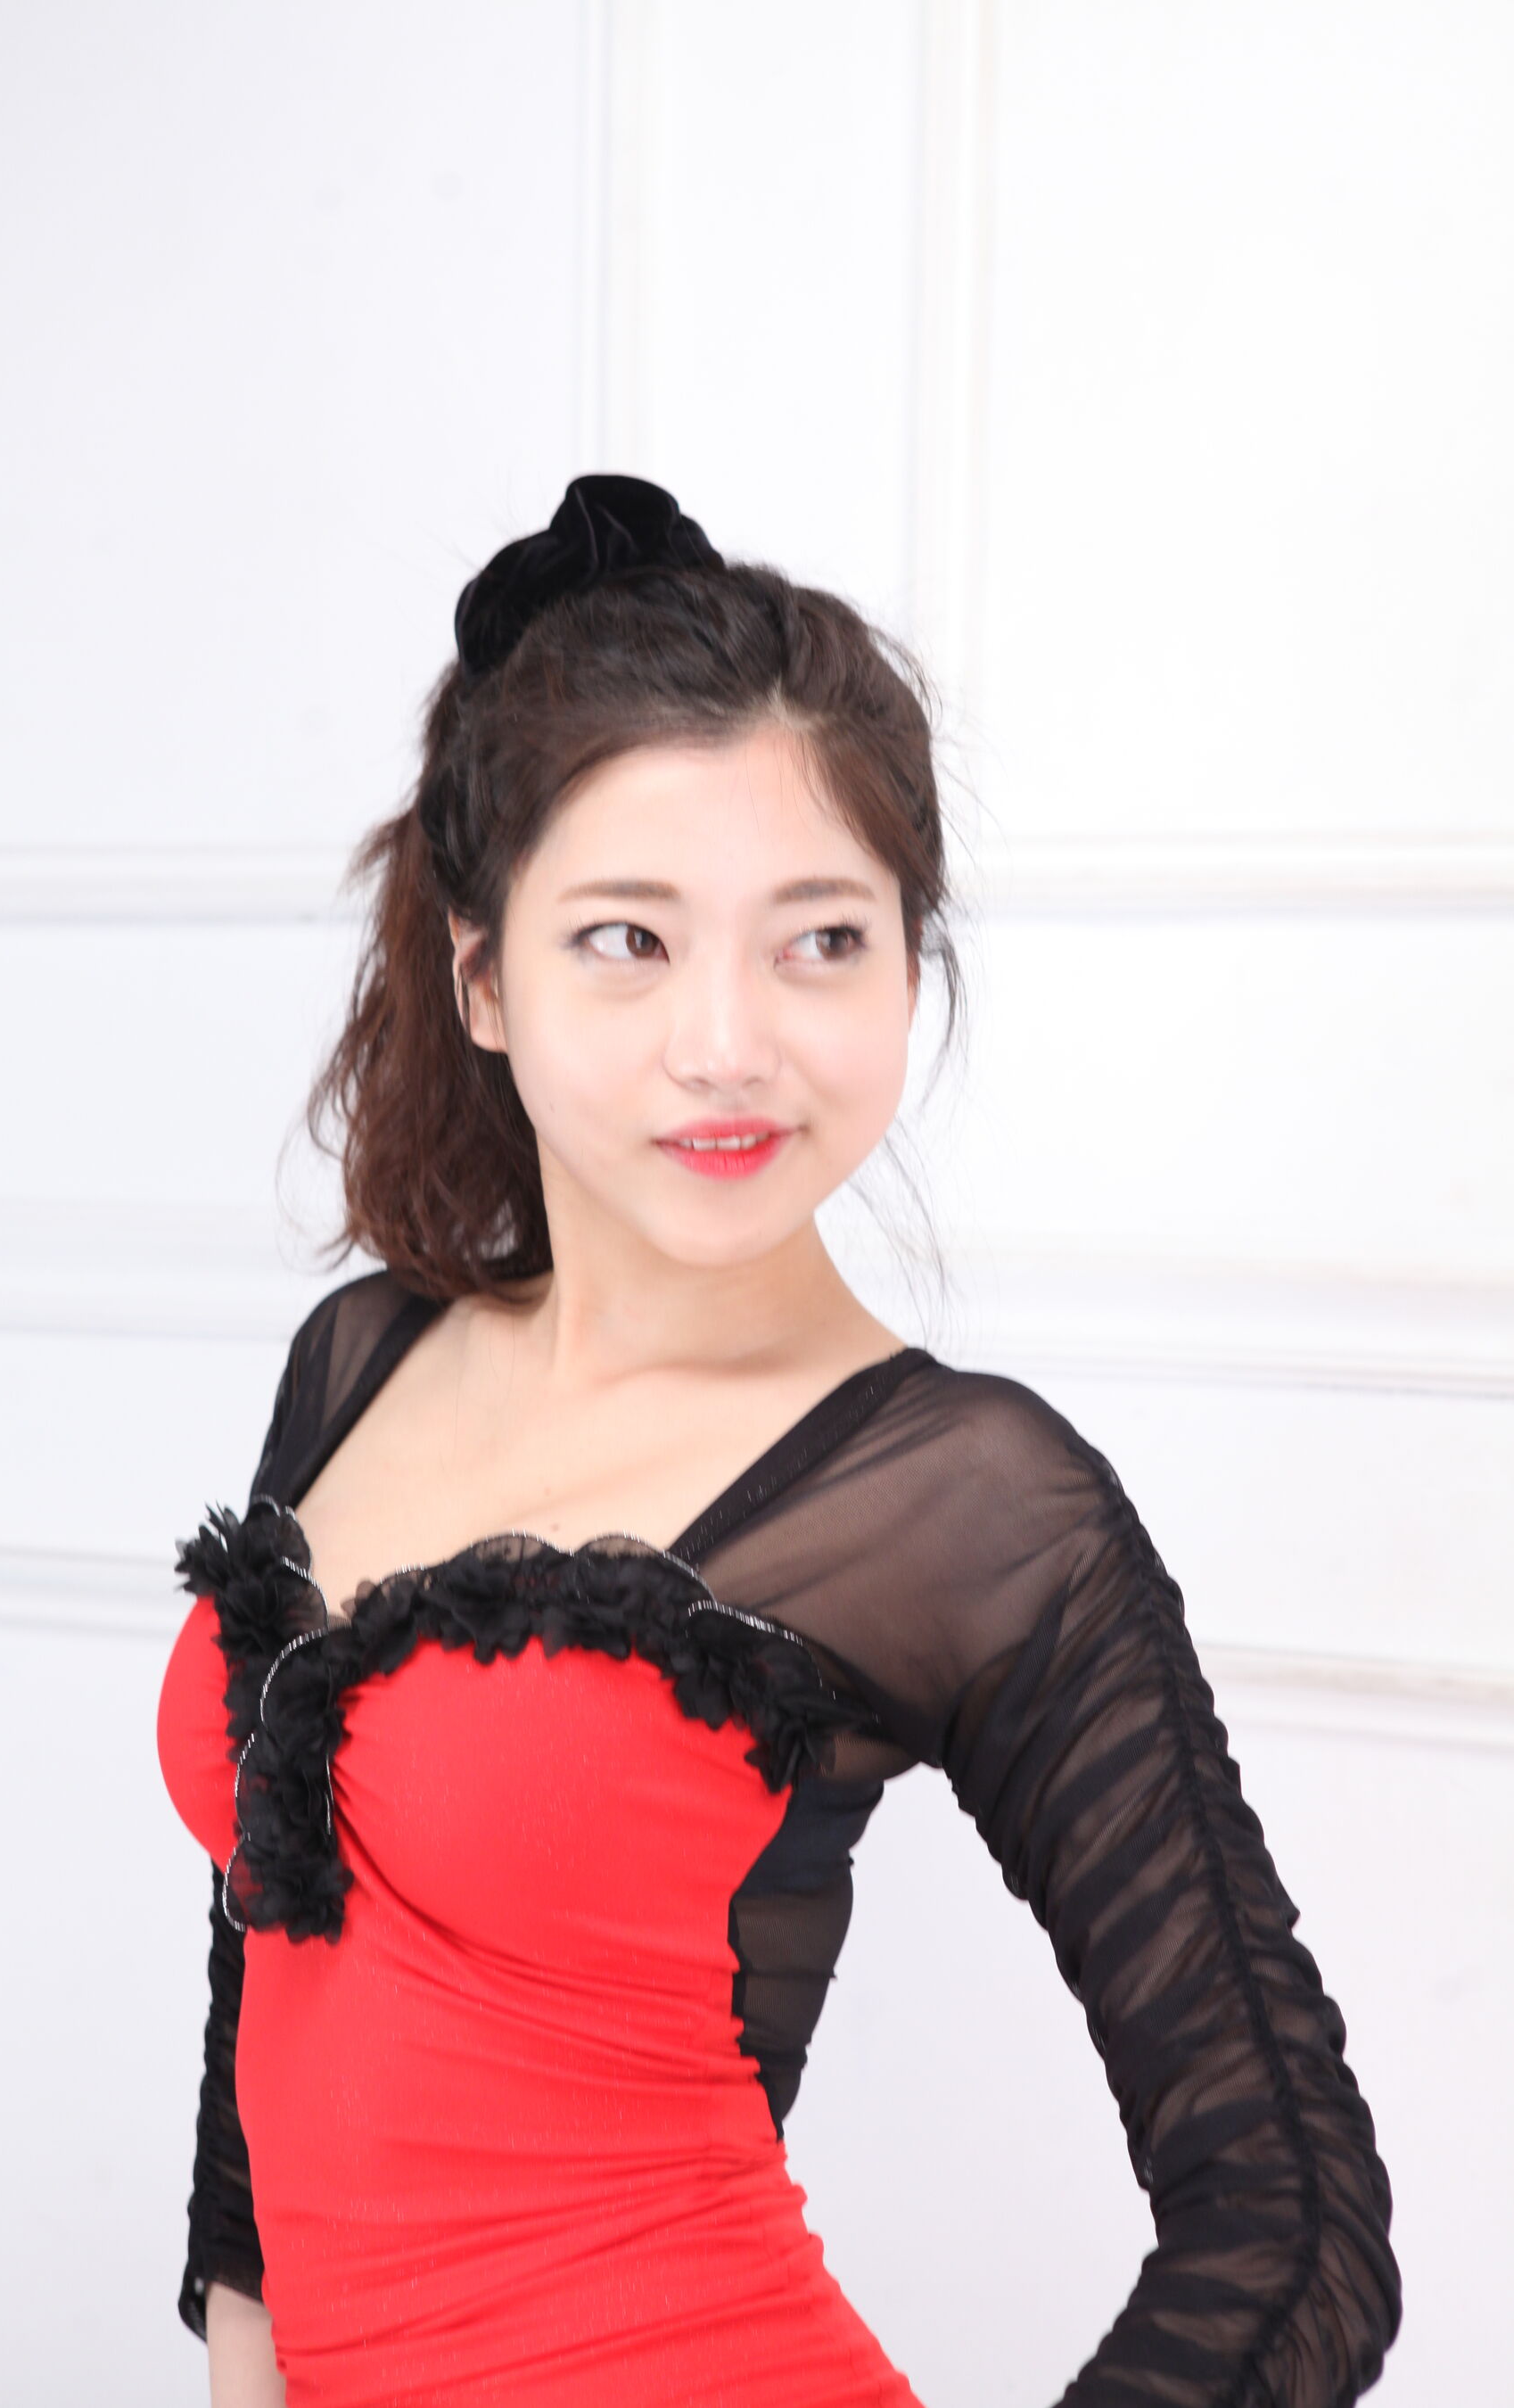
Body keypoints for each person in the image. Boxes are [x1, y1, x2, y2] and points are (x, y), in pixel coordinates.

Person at [155, 474, 1402, 2408]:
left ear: (910, 960)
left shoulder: (965, 1504)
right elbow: (273, 1941)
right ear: (483, 977)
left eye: (821, 939)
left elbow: (1295, 2219)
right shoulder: (359, 1359)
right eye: (626, 940)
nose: (730, 1042)